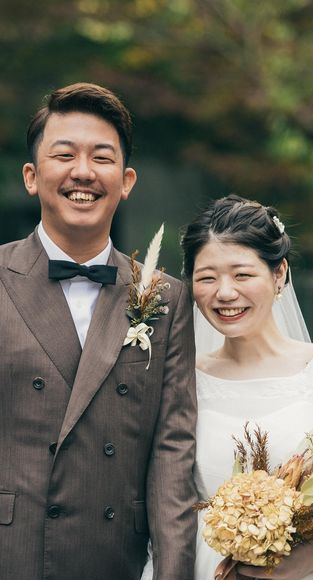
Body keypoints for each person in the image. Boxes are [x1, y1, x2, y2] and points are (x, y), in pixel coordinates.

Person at [0, 83, 197, 580]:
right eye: (64, 155)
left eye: (102, 158)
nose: (83, 172)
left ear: (126, 181)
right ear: (31, 176)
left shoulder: (165, 297)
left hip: (113, 559)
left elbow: (172, 453)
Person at [181, 194, 313, 580]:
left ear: (279, 274)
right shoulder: (183, 379)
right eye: (207, 278)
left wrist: (309, 557)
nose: (225, 293)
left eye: (242, 275)